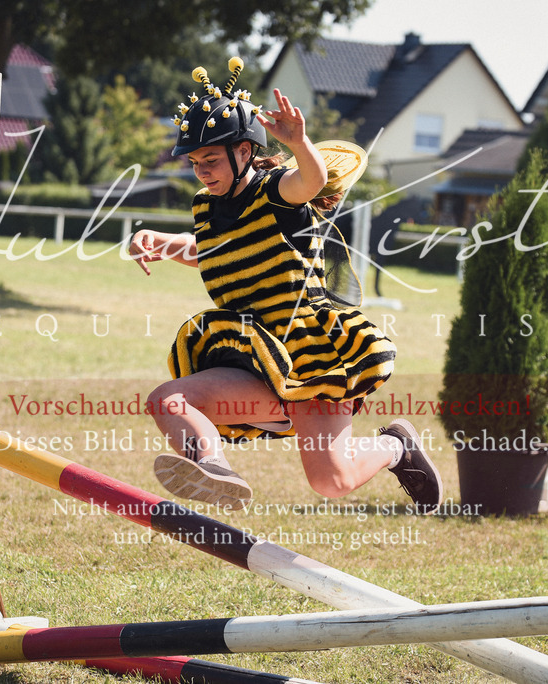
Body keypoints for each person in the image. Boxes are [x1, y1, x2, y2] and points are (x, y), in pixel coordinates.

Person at [128, 58, 441, 513]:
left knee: (332, 481)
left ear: (244, 152)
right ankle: (214, 469)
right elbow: (210, 249)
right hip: (250, 353)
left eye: (211, 160)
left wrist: (299, 142)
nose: (203, 171)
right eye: (196, 163)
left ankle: (396, 446)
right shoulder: (205, 207)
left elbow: (311, 181)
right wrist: (162, 241)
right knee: (168, 400)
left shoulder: (278, 191)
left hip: (310, 357)